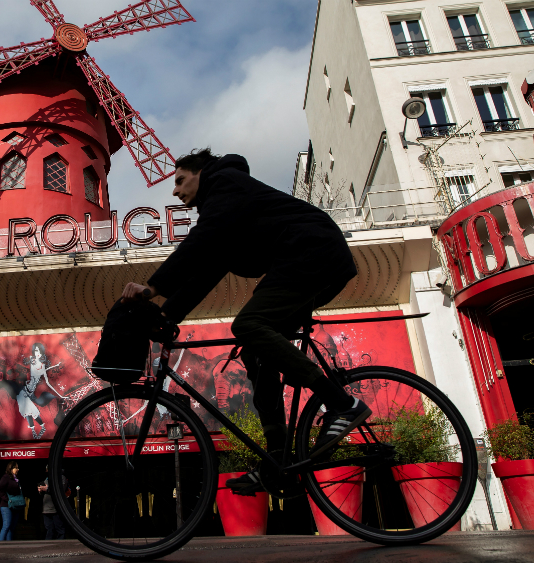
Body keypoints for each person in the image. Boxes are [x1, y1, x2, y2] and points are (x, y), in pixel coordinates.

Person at [119, 148, 369, 495]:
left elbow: (200, 242)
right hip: (303, 258)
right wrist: (166, 316)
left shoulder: (224, 182)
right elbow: (205, 273)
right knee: (254, 352)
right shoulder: (225, 209)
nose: (175, 191)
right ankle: (277, 461)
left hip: (311, 251)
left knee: (248, 324)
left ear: (200, 171)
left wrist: (153, 287)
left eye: (179, 180)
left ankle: (343, 404)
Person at [15, 343, 64, 439]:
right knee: (28, 411)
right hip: (26, 390)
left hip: (30, 392)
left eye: (39, 351)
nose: (37, 353)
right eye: (35, 351)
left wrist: (60, 395)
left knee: (31, 410)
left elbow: (48, 383)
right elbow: (21, 363)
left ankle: (41, 428)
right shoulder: (32, 361)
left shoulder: (41, 366)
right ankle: (35, 431)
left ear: (42, 352)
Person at [38, 464, 67, 539]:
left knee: (60, 530)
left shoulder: (61, 477)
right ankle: (48, 548)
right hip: (46, 509)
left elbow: (60, 490)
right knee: (49, 530)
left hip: (56, 509)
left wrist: (47, 489)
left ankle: (61, 547)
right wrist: (40, 490)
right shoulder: (47, 479)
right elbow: (44, 492)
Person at [0, 461, 23, 540]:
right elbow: (0, 490)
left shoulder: (16, 479)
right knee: (7, 525)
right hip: (6, 505)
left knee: (12, 526)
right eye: (16, 468)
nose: (18, 469)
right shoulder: (5, 477)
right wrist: (7, 499)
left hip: (15, 505)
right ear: (11, 469)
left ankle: (9, 545)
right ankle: (0, 544)